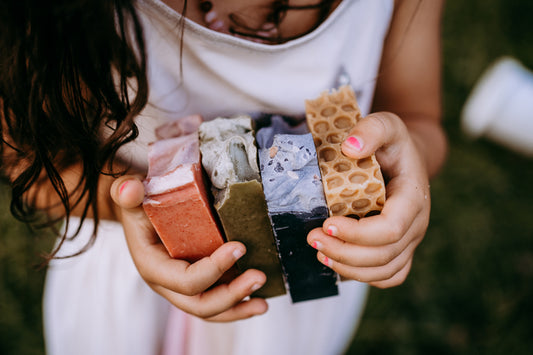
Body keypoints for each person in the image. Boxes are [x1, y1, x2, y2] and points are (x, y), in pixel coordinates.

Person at [0, 0, 447, 354]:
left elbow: (419, 117)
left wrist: (410, 166)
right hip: (129, 291)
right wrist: (131, 205)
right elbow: (32, 170)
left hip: (306, 282)